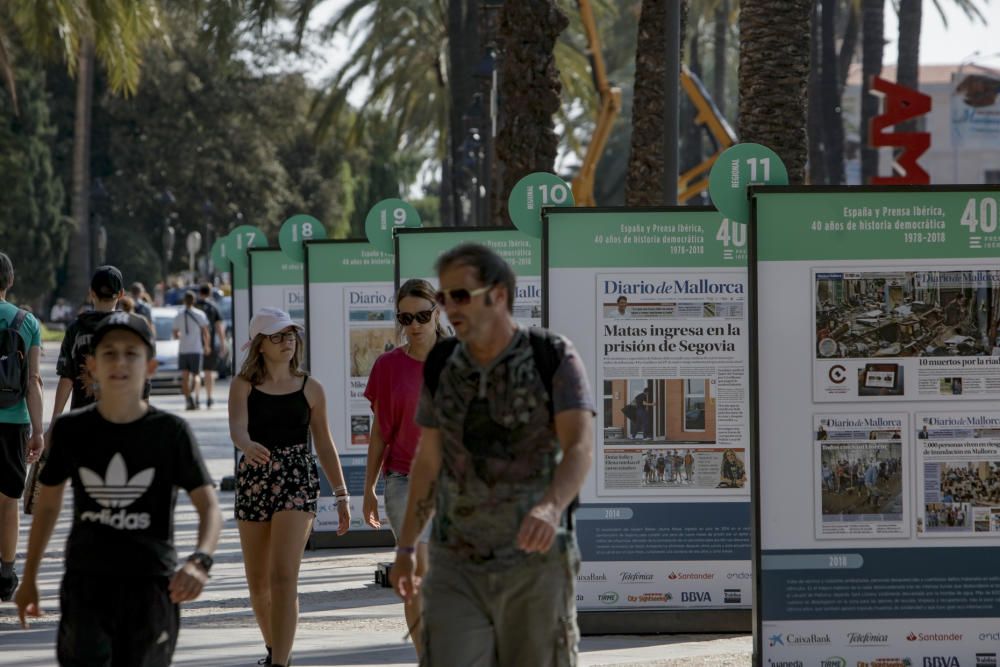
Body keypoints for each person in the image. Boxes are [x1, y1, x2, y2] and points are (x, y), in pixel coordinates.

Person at [390, 243, 595, 666]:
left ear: (498, 295)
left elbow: (579, 447)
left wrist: (550, 507)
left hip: (533, 567)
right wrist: (408, 548)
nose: (449, 309)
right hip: (455, 566)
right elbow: (428, 461)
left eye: (461, 296)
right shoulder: (442, 364)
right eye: (444, 298)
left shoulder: (552, 356)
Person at [14, 312, 221, 666]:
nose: (120, 361)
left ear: (150, 366)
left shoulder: (171, 432)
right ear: (91, 366)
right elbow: (47, 506)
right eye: (109, 353)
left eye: (132, 353)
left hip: (152, 587)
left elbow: (209, 508)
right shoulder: (72, 431)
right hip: (86, 585)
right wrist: (29, 575)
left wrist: (200, 560)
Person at [229, 307, 351, 667]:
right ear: (260, 345)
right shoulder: (242, 385)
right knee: (259, 586)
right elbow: (237, 427)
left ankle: (281, 663)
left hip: (297, 479)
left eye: (291, 335)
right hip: (255, 477)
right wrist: (245, 445)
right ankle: (274, 649)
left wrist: (342, 494)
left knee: (283, 577)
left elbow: (325, 444)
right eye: (278, 336)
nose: (288, 342)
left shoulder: (311, 388)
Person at [362, 278, 447, 658]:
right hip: (404, 482)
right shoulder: (387, 366)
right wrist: (368, 489)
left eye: (422, 316)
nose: (414, 324)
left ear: (437, 312)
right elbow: (380, 433)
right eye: (405, 318)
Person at [0, 253, 43, 602]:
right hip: (14, 423)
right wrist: (40, 431)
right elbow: (33, 381)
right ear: (10, 281)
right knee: (8, 501)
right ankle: (6, 570)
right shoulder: (27, 322)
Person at [50, 266, 125, 423]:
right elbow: (143, 386)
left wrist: (54, 424)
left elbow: (66, 378)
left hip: (82, 424)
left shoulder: (76, 329)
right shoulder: (131, 330)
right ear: (121, 294)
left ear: (91, 293)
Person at [173, 290, 210, 411]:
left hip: (183, 349)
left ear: (184, 301)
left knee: (184, 376)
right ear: (194, 301)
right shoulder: (200, 314)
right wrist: (207, 346)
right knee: (197, 375)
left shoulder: (178, 315)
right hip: (196, 349)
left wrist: (181, 336)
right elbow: (206, 332)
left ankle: (188, 399)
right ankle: (197, 397)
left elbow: (175, 333)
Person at [195, 284, 227, 409]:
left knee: (195, 373)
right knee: (209, 372)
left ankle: (196, 398)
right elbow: (219, 327)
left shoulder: (194, 305)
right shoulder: (213, 307)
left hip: (195, 344)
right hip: (211, 344)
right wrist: (223, 343)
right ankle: (209, 398)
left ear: (199, 292)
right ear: (209, 293)